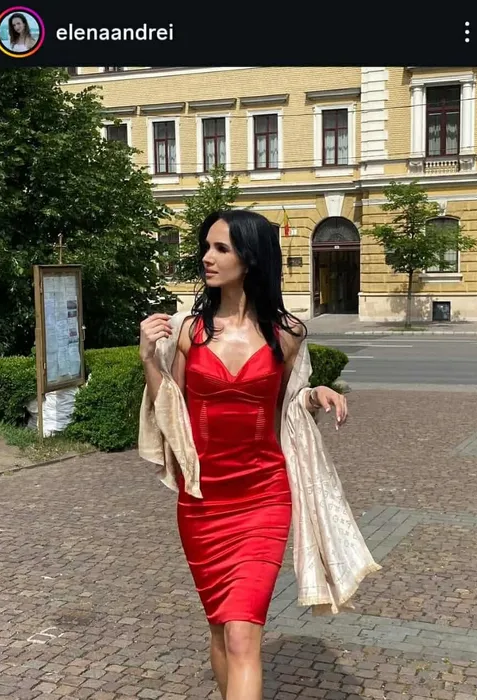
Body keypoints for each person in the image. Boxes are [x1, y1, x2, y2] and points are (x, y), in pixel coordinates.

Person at [139, 210, 355, 700]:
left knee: (242, 635)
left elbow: (286, 405)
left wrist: (315, 393)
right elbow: (170, 409)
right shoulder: (189, 331)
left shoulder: (287, 333)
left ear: (251, 258)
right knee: (220, 627)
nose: (206, 257)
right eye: (207, 246)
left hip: (263, 497)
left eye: (221, 248)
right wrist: (148, 358)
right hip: (203, 500)